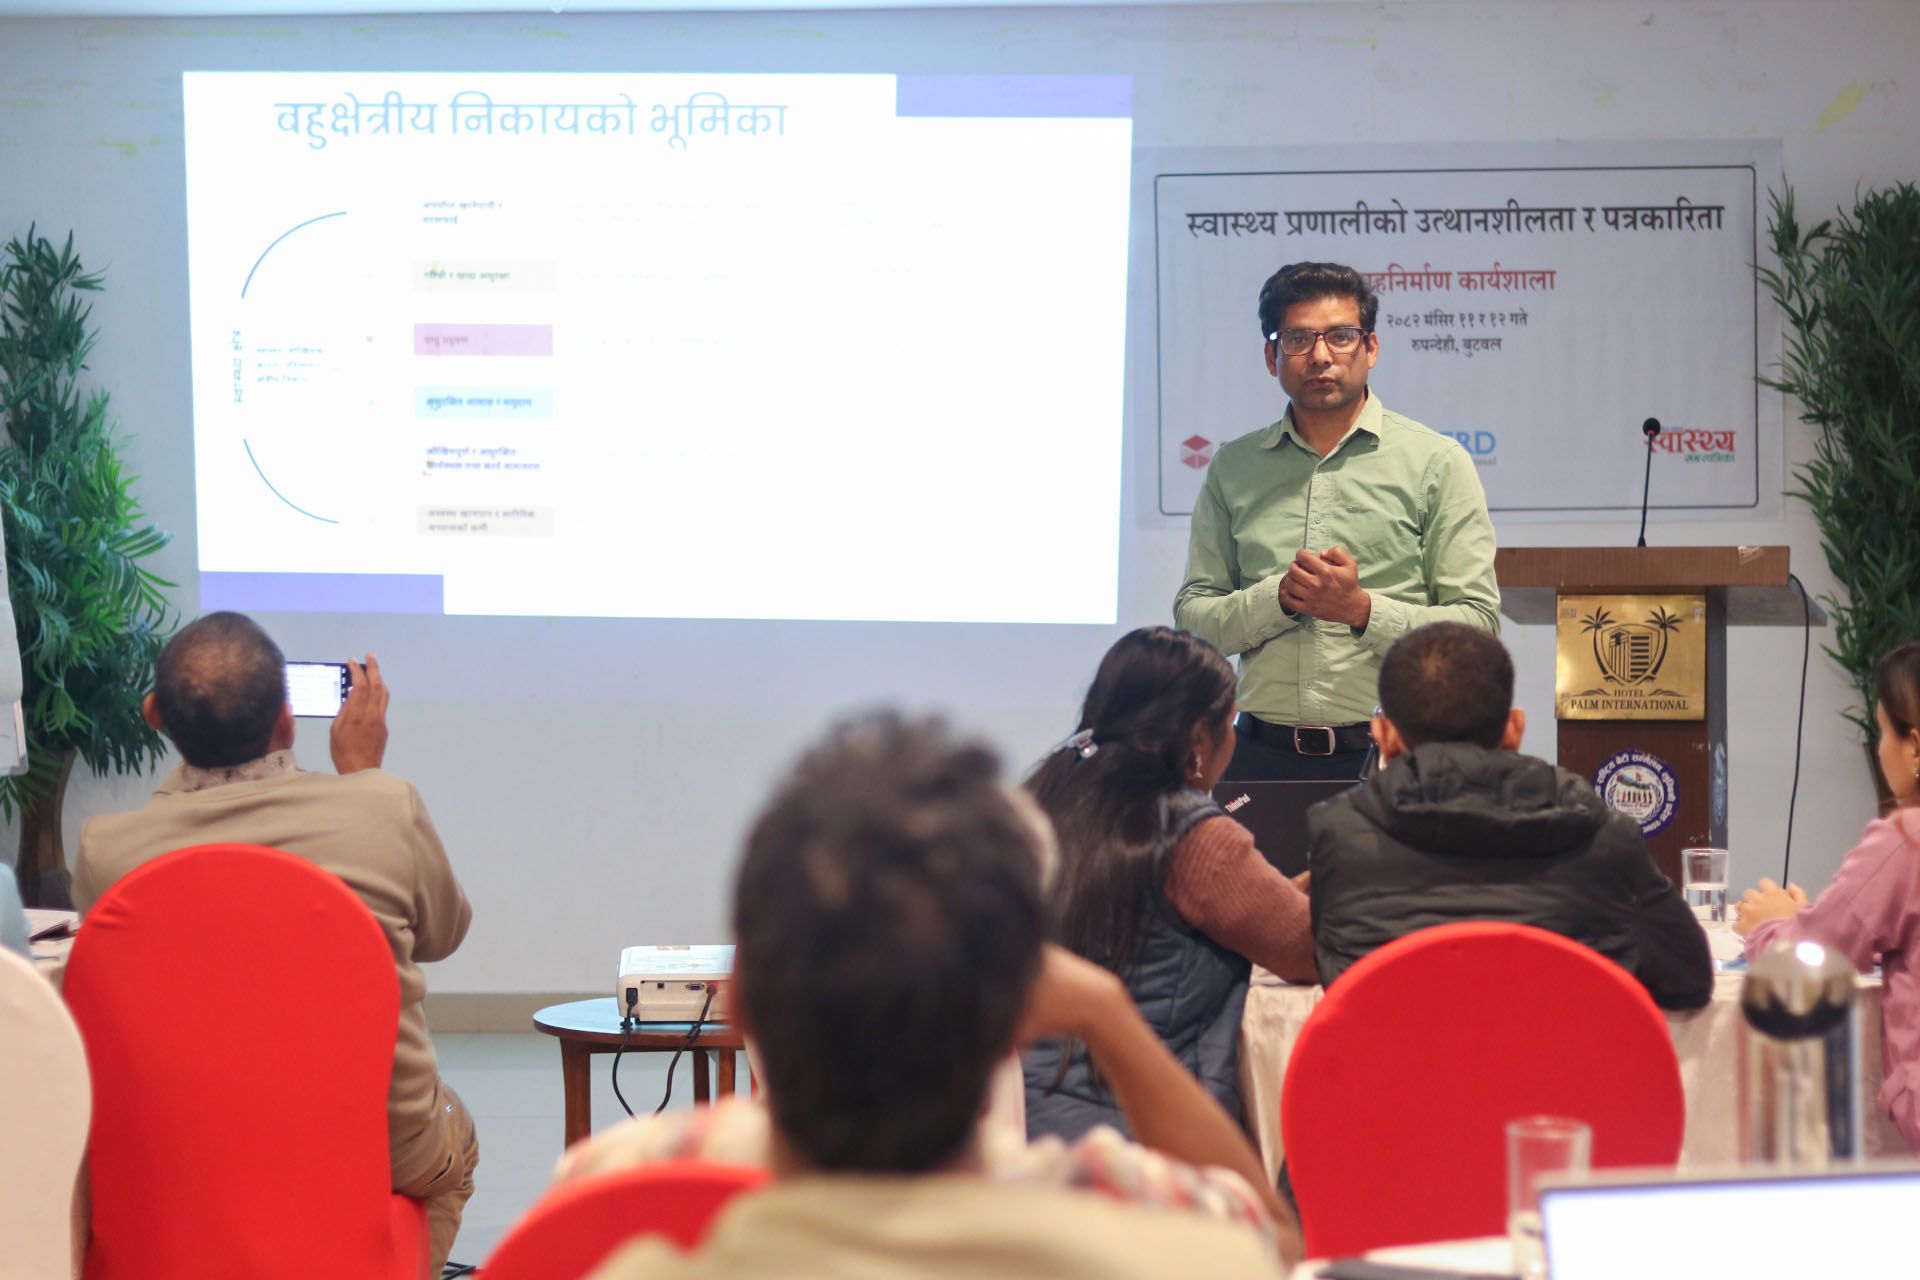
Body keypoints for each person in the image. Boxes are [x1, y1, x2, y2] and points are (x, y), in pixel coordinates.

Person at [581, 712, 1297, 1279]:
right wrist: (1108, 1014)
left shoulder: (623, 1185)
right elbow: (1274, 1240)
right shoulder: (1144, 1212)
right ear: (1019, 1019)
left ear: (739, 1004)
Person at [72, 612, 478, 1273]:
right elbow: (444, 934)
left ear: (154, 715)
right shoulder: (384, 808)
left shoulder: (107, 852)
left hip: (183, 1155)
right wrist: (364, 776)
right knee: (457, 1140)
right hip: (377, 1149)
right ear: (287, 720)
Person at [1175, 261, 1501, 782]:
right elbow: (1194, 621)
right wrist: (1278, 600)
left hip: (1397, 755)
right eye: (1298, 339)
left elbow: (1478, 631)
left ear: (1371, 348)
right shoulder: (1234, 468)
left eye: (1341, 336)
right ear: (1271, 357)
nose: (1321, 356)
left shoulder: (1436, 463)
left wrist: (1360, 610)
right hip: (1260, 757)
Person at [1309, 622, 1712, 1010]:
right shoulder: (1604, 836)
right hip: (1558, 1060)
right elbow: (1687, 980)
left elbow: (1331, 971)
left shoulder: (1341, 837)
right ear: (1514, 728)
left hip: (1398, 1061)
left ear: (1383, 735)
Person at [1022, 627, 1315, 1142]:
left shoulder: (1039, 797)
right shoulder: (1194, 835)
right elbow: (1306, 949)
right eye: (1231, 722)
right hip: (1139, 1130)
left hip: (1012, 1112)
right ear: (1200, 738)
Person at [1735, 639, 1920, 1153]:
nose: (1879, 750)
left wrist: (1769, 923)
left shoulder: (1906, 840)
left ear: (1915, 746)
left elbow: (1808, 962)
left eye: (1882, 732)